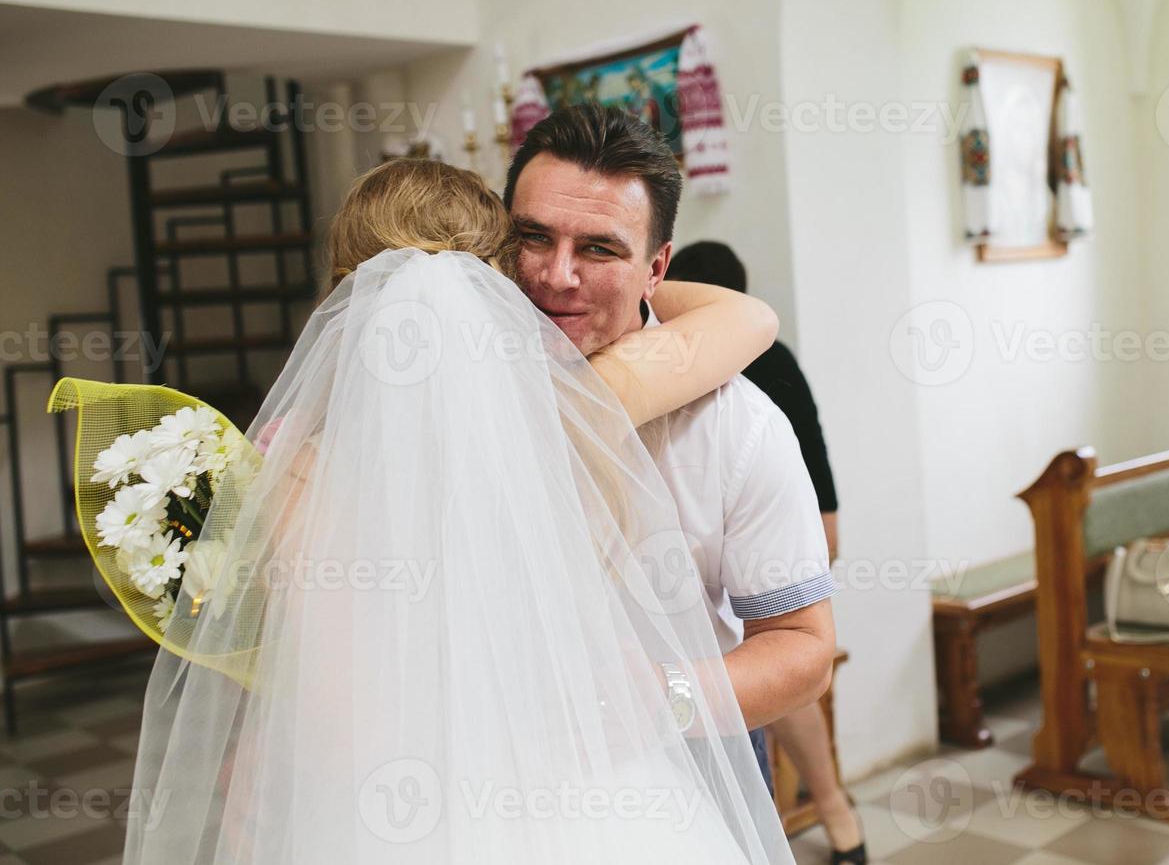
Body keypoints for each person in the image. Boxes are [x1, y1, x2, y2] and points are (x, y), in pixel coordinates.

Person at [89, 158, 800, 862]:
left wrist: (266, 759)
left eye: (598, 250)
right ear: (499, 286)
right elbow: (744, 316)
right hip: (591, 797)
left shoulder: (296, 472)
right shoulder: (580, 423)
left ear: (345, 292)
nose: (558, 276)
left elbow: (337, 726)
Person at [503, 106, 838, 795]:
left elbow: (804, 649)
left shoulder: (739, 428)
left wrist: (664, 697)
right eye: (534, 237)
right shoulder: (454, 382)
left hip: (679, 766)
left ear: (657, 268)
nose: (556, 276)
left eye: (598, 249)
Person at [667, 241, 864, 865]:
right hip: (806, 524)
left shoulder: (713, 370)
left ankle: (828, 810)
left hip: (791, 534)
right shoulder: (771, 356)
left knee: (768, 667)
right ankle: (839, 820)